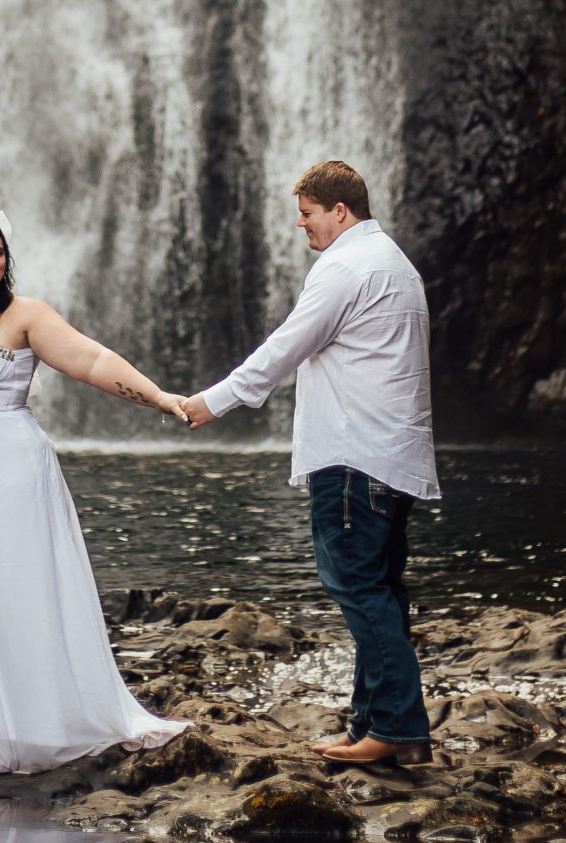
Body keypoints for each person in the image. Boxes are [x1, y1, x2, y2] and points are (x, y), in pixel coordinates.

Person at [0, 212, 192, 774]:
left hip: (4, 473)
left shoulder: (26, 315)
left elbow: (92, 360)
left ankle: (32, 722)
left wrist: (160, 399)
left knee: (12, 589)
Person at [182, 161, 438, 765]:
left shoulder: (344, 267)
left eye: (308, 213)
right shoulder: (395, 262)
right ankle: (372, 725)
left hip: (353, 456)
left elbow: (285, 348)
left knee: (358, 587)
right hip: (392, 456)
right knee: (379, 590)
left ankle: (399, 730)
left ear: (340, 211)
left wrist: (211, 402)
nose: (301, 224)